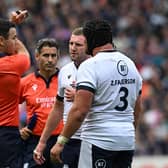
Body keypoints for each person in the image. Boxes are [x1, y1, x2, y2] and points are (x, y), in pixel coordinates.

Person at [45, 19, 143, 168]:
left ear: (90, 41)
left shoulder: (91, 65)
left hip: (98, 140)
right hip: (126, 140)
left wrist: (61, 141)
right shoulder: (130, 64)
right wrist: (128, 132)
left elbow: (79, 111)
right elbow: (137, 106)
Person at [33, 27, 90, 168]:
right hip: (70, 140)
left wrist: (80, 96)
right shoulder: (65, 71)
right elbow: (58, 108)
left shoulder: (96, 68)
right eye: (71, 44)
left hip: (92, 139)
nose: (73, 48)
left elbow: (107, 102)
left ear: (88, 46)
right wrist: (42, 142)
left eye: (78, 45)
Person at [19, 38, 63, 168]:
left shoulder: (67, 80)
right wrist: (18, 129)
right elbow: (8, 106)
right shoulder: (25, 82)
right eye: (46, 55)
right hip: (34, 140)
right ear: (37, 56)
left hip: (60, 142)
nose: (50, 60)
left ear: (58, 57)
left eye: (53, 56)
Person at [0, 11, 30, 167]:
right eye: (14, 38)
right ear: (1, 41)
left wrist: (9, 27)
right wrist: (12, 24)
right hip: (6, 134)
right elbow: (25, 54)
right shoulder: (12, 65)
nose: (15, 41)